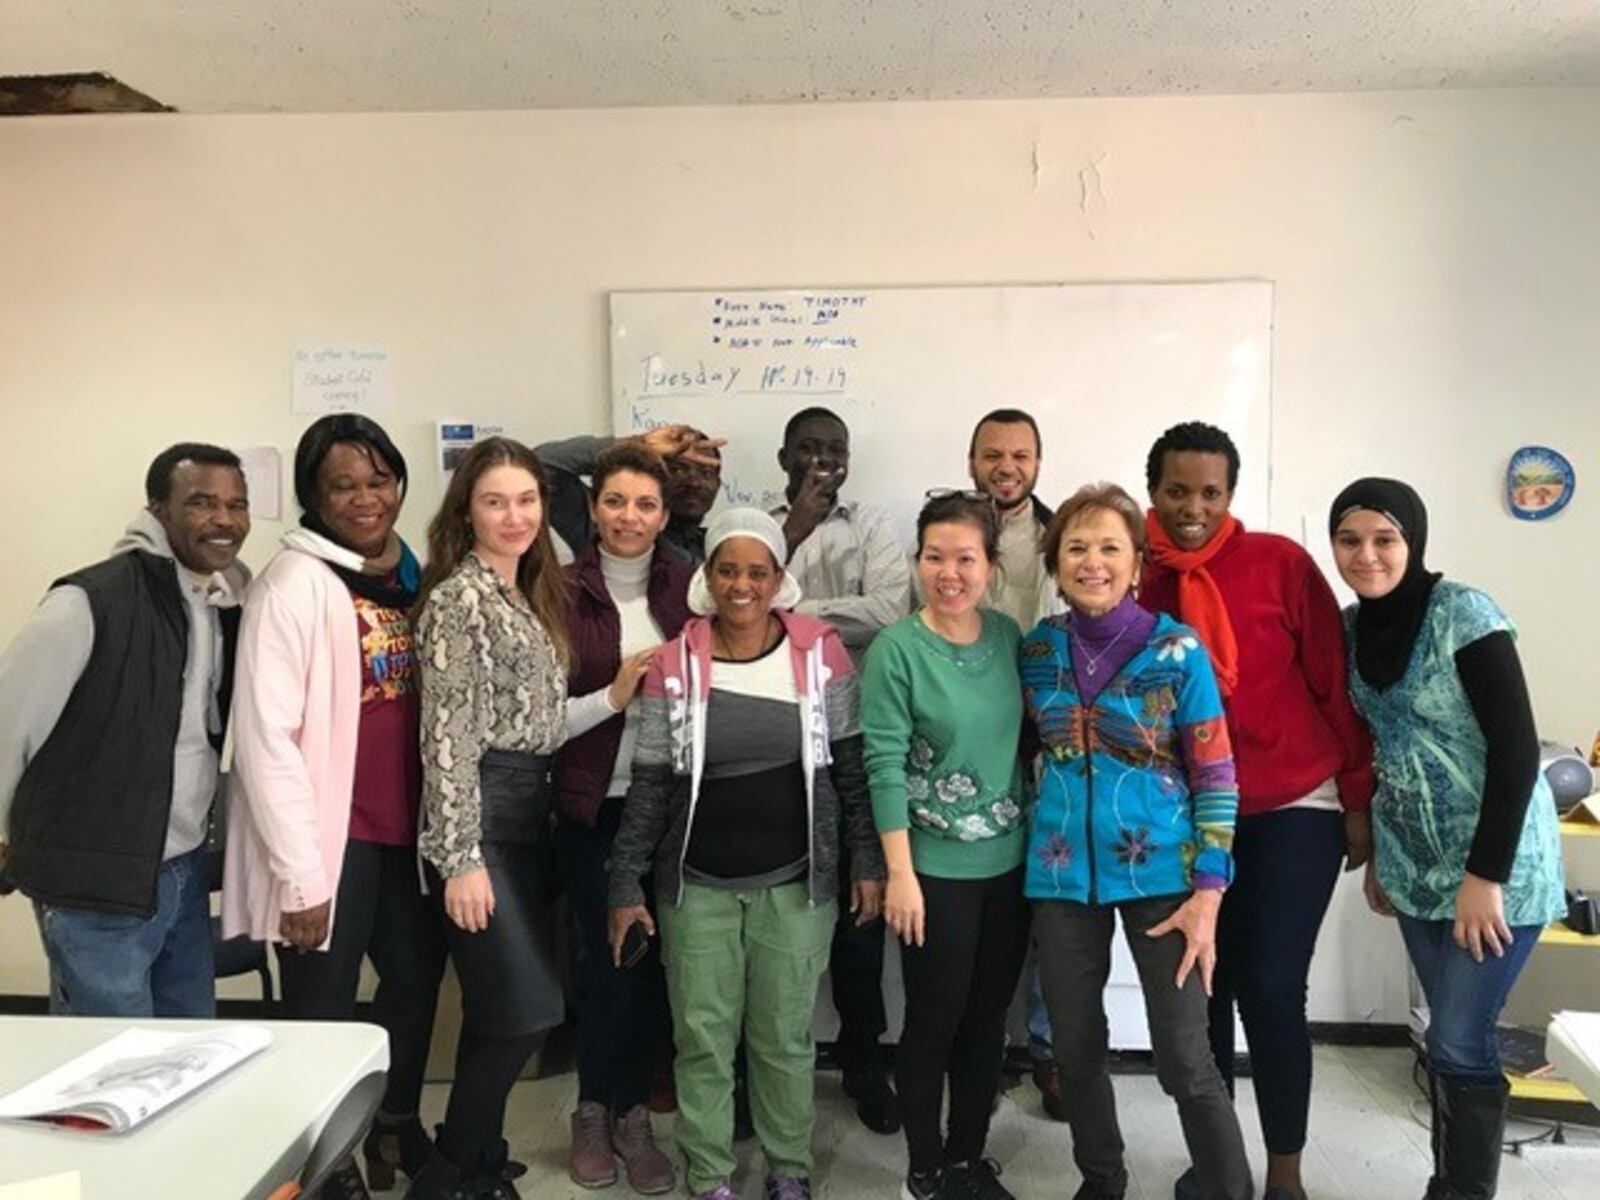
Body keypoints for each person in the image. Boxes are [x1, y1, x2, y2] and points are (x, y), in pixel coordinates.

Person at [608, 506, 886, 1200]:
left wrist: (868, 860)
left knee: (784, 1040)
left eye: (756, 571)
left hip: (795, 884)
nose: (742, 585)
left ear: (778, 579)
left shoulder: (821, 651)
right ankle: (710, 1175)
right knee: (701, 1042)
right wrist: (624, 883)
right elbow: (648, 783)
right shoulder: (675, 663)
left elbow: (849, 769)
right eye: (727, 569)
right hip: (695, 887)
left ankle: (788, 1169)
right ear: (707, 576)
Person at [1138, 421, 1375, 1200]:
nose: (1194, 508)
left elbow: (1332, 685)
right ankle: (1219, 1163)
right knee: (1201, 993)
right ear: (1154, 493)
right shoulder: (1139, 578)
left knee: (1270, 989)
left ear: (1231, 494)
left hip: (1292, 803)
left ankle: (1285, 1175)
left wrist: (1356, 798)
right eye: (1178, 491)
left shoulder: (1280, 563)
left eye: (1211, 492)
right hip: (1190, 813)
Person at [222, 415, 448, 1199]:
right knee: (321, 1005)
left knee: (416, 987)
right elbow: (264, 739)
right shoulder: (294, 585)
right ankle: (326, 1158)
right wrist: (301, 876)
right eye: (342, 485)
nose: (365, 498)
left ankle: (394, 1125)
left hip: (406, 831)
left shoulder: (412, 574)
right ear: (315, 497)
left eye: (378, 479)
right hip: (330, 840)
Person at [1329, 478, 1565, 1200]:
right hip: (1413, 865)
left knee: (1460, 1040)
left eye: (1385, 539)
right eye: (1349, 539)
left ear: (1415, 541)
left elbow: (1517, 748)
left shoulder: (1463, 612)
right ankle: (1447, 1181)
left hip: (1496, 867)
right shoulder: (1348, 626)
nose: (1367, 555)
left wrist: (1483, 875)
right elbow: (1371, 743)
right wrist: (1379, 856)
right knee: (1445, 1039)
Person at [1022, 482, 1252, 1200]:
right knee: (1077, 1047)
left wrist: (1209, 891)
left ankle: (1226, 1189)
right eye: (1077, 547)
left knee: (1186, 1058)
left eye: (1109, 547)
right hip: (1060, 879)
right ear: (1055, 561)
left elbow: (1215, 771)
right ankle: (1102, 1179)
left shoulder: (1177, 652)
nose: (1093, 562)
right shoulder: (1035, 652)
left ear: (1137, 561)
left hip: (1166, 879)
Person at [0, 443, 250, 1018]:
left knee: (187, 1053)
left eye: (237, 505)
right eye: (203, 503)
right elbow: (12, 719)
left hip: (179, 869)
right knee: (110, 1068)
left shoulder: (221, 602)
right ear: (158, 510)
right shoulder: (89, 601)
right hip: (96, 881)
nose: (225, 520)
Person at [408, 437, 574, 1199]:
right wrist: (461, 857)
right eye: (495, 501)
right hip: (481, 829)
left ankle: (478, 1164)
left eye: (527, 500)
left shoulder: (527, 593)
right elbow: (446, 738)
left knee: (497, 1012)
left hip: (527, 820)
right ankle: (443, 1177)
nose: (514, 516)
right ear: (467, 511)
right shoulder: (456, 600)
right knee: (526, 1014)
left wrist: (615, 699)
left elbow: (534, 723)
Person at [863, 489, 1033, 1200]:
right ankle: (926, 1168)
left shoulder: (1008, 640)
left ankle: (968, 1157)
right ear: (917, 563)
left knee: (988, 1021)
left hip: (1011, 865)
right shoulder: (897, 649)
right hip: (931, 869)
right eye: (935, 557)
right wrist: (899, 874)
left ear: (991, 566)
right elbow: (883, 764)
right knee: (933, 1019)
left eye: (966, 558)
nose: (950, 572)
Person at [555, 443, 692, 1194]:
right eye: (615, 502)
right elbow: (537, 721)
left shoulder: (688, 588)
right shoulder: (560, 589)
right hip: (593, 804)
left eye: (645, 504)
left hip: (672, 806)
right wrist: (613, 696)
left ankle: (634, 1113)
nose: (629, 517)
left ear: (665, 516)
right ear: (592, 509)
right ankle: (593, 1109)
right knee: (607, 965)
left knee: (653, 968)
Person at [770, 406, 909, 1133]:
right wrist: (789, 532)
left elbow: (887, 611)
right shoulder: (751, 521)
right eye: (810, 449)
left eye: (836, 450)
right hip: (766, 746)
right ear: (784, 454)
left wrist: (785, 607)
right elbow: (726, 600)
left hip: (850, 736)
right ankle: (760, 1068)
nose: (824, 460)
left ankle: (863, 1060)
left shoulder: (876, 525)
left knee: (862, 912)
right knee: (774, 913)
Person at [966, 408, 1065, 1118]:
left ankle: (1050, 1051)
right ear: (972, 460)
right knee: (985, 911)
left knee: (1051, 913)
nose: (1008, 466)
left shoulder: (1066, 535)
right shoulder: (948, 536)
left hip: (1052, 744)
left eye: (1020, 455)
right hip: (973, 744)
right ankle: (985, 1051)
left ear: (1038, 461)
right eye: (993, 454)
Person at [537, 423, 724, 563]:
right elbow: (537, 466)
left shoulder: (723, 546)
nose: (695, 482)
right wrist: (636, 445)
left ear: (718, 485)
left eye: (707, 473)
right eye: (678, 470)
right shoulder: (611, 530)